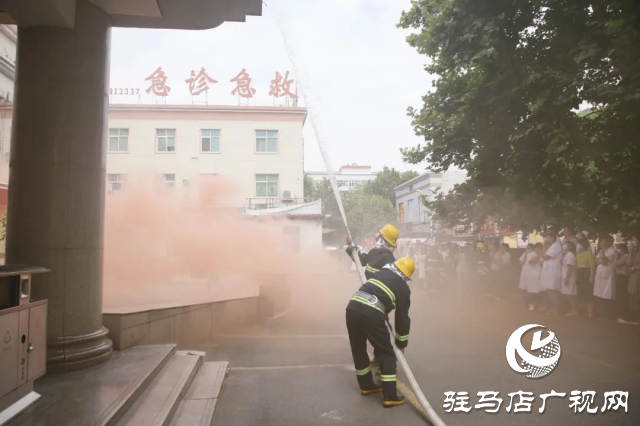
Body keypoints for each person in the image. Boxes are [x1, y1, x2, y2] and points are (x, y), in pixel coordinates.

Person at [345, 258, 414, 407]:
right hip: (372, 312)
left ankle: (366, 386)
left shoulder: (381, 273)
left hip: (353, 307)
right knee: (387, 354)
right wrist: (401, 343)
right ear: (405, 276)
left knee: (358, 349)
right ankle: (390, 396)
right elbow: (402, 318)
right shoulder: (403, 288)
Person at [540, 233, 563, 314]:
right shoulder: (551, 247)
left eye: (548, 237)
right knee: (550, 290)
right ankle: (553, 308)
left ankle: (555, 309)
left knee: (552, 291)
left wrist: (543, 245)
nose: (546, 239)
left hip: (553, 271)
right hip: (549, 272)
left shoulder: (556, 246)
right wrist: (545, 247)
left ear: (553, 238)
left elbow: (545, 256)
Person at [594, 235, 616, 320]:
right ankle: (601, 314)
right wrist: (601, 260)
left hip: (608, 275)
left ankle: (607, 315)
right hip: (600, 274)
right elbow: (597, 261)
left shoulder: (612, 250)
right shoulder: (602, 250)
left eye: (603, 240)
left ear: (609, 241)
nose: (601, 242)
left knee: (607, 295)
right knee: (600, 294)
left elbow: (604, 260)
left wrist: (602, 256)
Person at [576, 238, 596, 318]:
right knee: (581, 294)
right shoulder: (577, 255)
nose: (577, 246)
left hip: (586, 274)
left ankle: (590, 313)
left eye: (579, 244)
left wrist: (591, 277)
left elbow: (592, 266)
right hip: (580, 275)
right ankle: (582, 312)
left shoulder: (589, 254)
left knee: (589, 295)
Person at [613, 243, 631, 324]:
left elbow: (615, 264)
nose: (616, 250)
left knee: (622, 296)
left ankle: (623, 316)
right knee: (619, 296)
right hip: (619, 277)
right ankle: (620, 315)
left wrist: (616, 256)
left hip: (622, 277)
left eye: (618, 248)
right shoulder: (622, 256)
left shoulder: (626, 256)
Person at [519, 244, 540, 310]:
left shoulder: (534, 255)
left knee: (531, 290)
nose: (528, 249)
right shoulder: (524, 254)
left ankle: (532, 304)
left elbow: (533, 262)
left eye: (530, 248)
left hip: (532, 275)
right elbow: (521, 263)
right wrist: (525, 257)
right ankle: (526, 303)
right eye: (527, 248)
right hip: (524, 274)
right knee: (524, 289)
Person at [625, 237, 640, 325]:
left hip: (637, 274)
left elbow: (632, 266)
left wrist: (635, 268)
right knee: (632, 294)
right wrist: (631, 251)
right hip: (633, 276)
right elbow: (629, 263)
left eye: (635, 240)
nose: (633, 242)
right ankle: (634, 316)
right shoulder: (635, 251)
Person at [561, 241, 578, 316]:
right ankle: (571, 310)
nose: (564, 246)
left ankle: (573, 310)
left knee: (570, 295)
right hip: (566, 277)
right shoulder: (567, 255)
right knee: (569, 295)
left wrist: (567, 278)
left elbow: (569, 267)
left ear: (570, 247)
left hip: (569, 278)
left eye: (566, 245)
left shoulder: (570, 255)